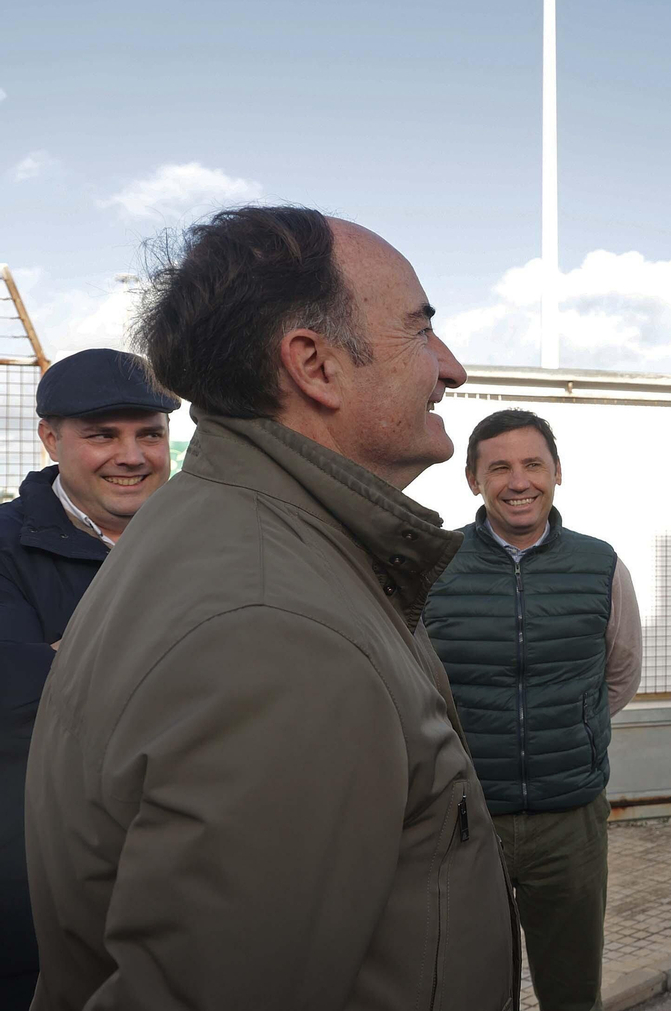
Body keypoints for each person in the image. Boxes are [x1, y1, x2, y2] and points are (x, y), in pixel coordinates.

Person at [24, 206, 519, 1010]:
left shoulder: (235, 535)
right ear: (314, 365)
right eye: (421, 331)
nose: (451, 367)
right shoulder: (277, 625)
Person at [423, 408, 641, 1011]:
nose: (518, 482)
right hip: (464, 819)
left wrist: (570, 727)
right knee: (468, 989)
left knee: (571, 992)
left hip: (568, 822)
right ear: (473, 480)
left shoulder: (600, 565)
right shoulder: (434, 567)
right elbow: (416, 684)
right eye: (499, 468)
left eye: (532, 465)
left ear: (557, 472)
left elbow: (617, 677)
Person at [0, 348, 177, 1009]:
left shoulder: (207, 546)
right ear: (50, 437)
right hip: (35, 917)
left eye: (148, 433)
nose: (131, 455)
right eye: (103, 434)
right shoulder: (5, 546)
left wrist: (62, 653)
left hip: (178, 905)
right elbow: (18, 704)